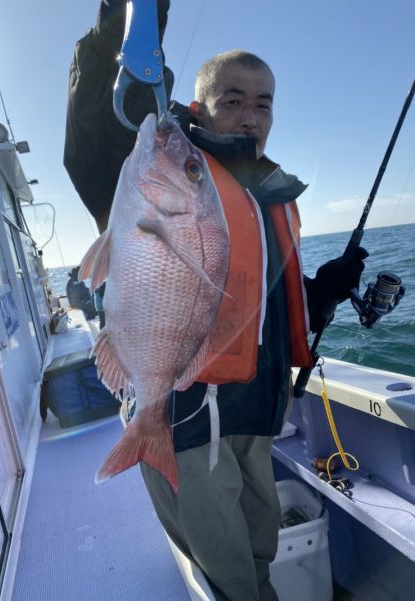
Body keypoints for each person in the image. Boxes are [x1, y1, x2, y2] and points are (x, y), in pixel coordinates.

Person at [64, 2, 367, 599]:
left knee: (260, 542)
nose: (251, 116)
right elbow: (89, 138)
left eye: (263, 104)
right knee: (224, 563)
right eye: (233, 100)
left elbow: (259, 307)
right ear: (199, 107)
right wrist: (120, 29)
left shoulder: (271, 195)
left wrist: (322, 290)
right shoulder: (161, 167)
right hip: (184, 415)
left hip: (256, 410)